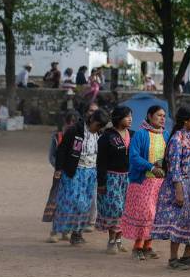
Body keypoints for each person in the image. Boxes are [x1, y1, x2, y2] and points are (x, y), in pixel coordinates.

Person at [152, 107, 190, 270]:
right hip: (178, 184)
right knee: (178, 221)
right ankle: (173, 259)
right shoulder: (176, 139)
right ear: (185, 121)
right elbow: (174, 167)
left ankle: (187, 257)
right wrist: (179, 190)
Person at [53, 109, 106, 245]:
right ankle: (60, 229)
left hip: (91, 172)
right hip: (75, 171)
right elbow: (62, 149)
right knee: (72, 201)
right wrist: (59, 168)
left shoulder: (99, 133)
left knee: (85, 204)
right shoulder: (74, 130)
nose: (98, 129)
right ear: (91, 120)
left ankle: (77, 233)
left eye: (101, 127)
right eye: (98, 125)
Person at [122, 105, 168, 260]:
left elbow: (169, 156)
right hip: (143, 181)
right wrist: (151, 167)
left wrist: (164, 164)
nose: (162, 118)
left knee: (155, 214)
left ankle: (148, 246)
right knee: (145, 213)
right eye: (159, 115)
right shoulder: (140, 134)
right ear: (149, 116)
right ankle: (137, 247)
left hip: (159, 182)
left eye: (164, 116)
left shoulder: (165, 135)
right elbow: (133, 157)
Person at [96, 106, 133, 254]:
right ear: (118, 118)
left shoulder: (133, 134)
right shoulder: (107, 137)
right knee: (115, 209)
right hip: (111, 177)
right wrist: (101, 182)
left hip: (127, 178)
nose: (130, 119)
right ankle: (111, 240)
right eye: (126, 116)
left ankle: (118, 240)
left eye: (131, 116)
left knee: (124, 210)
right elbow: (101, 162)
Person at [43, 110, 79, 242]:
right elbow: (52, 156)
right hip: (59, 174)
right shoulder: (57, 136)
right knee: (57, 200)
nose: (70, 124)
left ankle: (66, 231)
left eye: (73, 122)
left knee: (71, 202)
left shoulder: (80, 138)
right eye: (69, 122)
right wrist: (59, 167)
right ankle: (54, 232)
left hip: (74, 174)